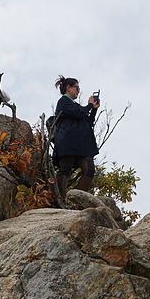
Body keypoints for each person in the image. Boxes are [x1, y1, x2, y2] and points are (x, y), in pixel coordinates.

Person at [52, 75, 100, 205]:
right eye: (77, 88)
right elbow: (79, 113)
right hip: (67, 142)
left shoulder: (75, 105)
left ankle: (75, 200)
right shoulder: (63, 101)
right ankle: (60, 200)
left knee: (89, 170)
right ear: (68, 88)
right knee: (65, 169)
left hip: (80, 145)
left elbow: (87, 121)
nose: (78, 91)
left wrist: (93, 109)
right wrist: (89, 105)